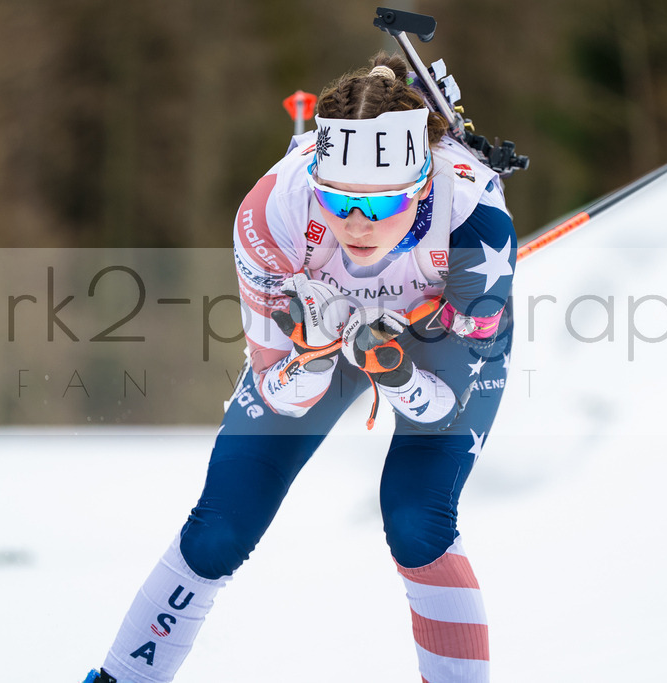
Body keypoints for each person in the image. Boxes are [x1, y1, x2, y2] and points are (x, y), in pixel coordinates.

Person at [84, 51, 517, 683]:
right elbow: (277, 390)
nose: (357, 225)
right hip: (318, 329)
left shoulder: (477, 221)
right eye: (339, 202)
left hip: (431, 340)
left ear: (422, 185)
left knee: (416, 518)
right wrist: (314, 350)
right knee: (220, 526)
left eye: (381, 205)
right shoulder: (272, 210)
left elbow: (444, 404)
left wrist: (394, 367)